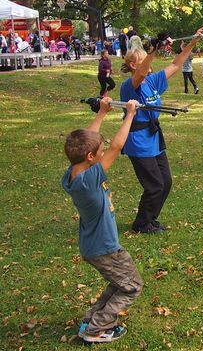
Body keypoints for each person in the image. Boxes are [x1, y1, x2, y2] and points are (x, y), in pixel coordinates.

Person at [61, 97, 143, 344]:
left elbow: (89, 142)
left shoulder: (73, 174)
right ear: (90, 157)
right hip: (105, 247)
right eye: (100, 151)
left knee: (120, 283)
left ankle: (91, 320)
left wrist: (102, 113)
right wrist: (130, 114)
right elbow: (116, 146)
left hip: (93, 245)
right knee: (132, 286)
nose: (103, 152)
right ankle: (96, 329)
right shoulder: (89, 180)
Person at [120, 27, 203, 234]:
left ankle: (150, 219)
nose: (148, 63)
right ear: (132, 64)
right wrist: (154, 50)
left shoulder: (153, 81)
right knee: (155, 185)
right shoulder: (130, 85)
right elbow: (141, 73)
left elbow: (176, 64)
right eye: (144, 60)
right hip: (138, 140)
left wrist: (192, 42)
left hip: (154, 137)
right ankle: (141, 223)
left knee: (165, 182)